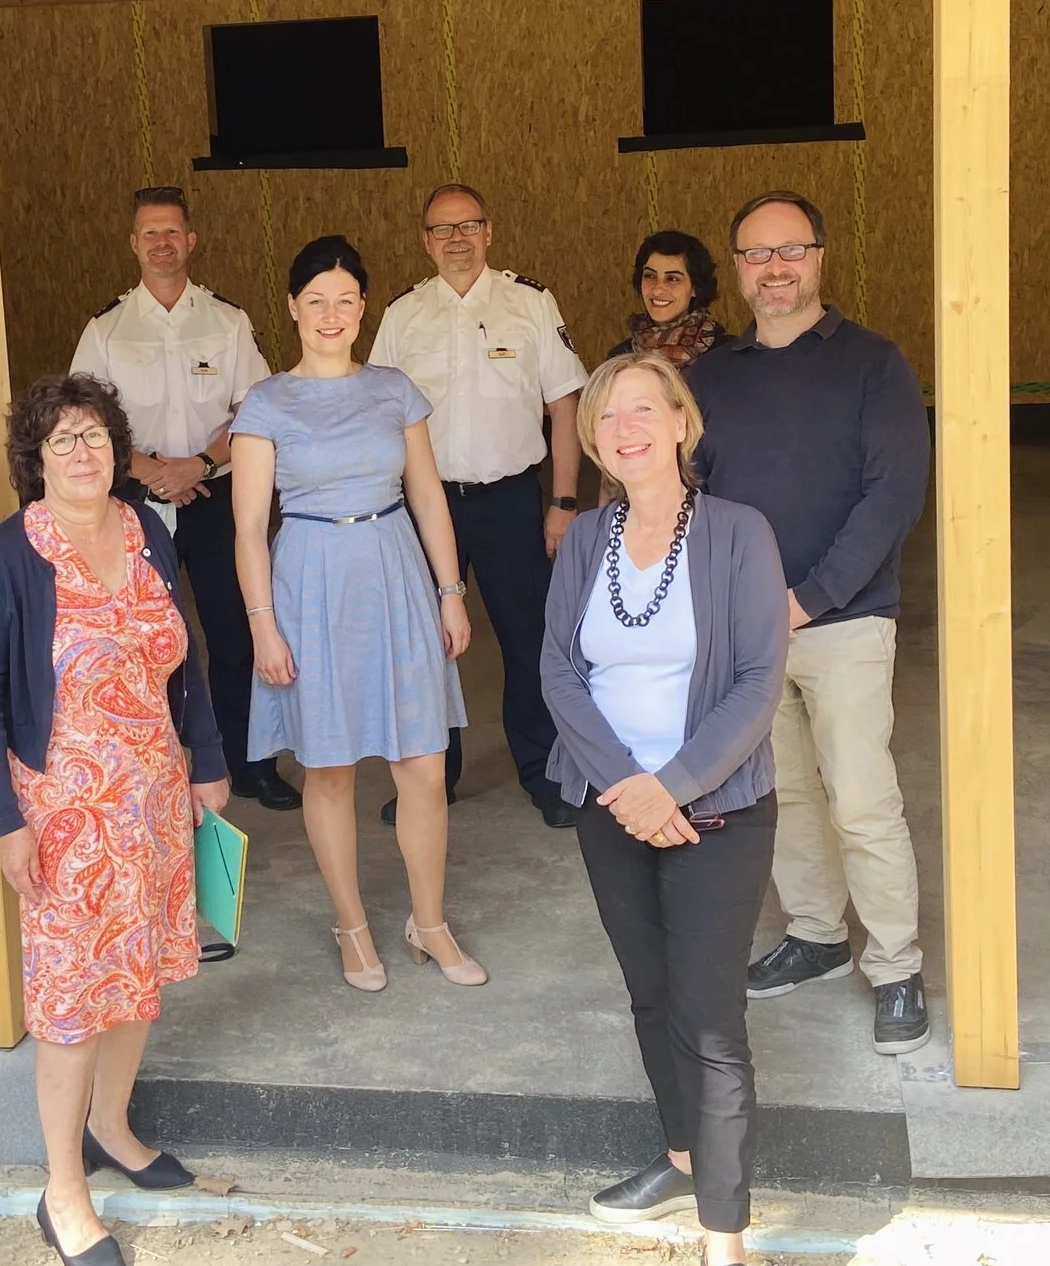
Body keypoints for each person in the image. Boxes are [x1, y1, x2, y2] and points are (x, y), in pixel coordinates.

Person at [0, 373, 228, 1266]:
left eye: (96, 435)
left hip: (153, 795)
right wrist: (4, 823)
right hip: (63, 813)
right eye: (62, 440)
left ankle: (112, 1128)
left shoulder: (146, 529)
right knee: (72, 1002)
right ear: (34, 460)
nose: (83, 453)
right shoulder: (6, 560)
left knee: (139, 967)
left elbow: (186, 647)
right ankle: (63, 1189)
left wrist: (209, 758)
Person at [541, 352, 788, 1266]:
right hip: (611, 805)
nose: (626, 427)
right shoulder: (584, 541)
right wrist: (627, 789)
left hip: (717, 809)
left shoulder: (737, 534)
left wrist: (672, 788)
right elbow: (561, 672)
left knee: (711, 1020)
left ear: (682, 422)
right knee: (650, 995)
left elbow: (757, 683)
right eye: (607, 416)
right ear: (595, 441)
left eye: (645, 408)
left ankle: (724, 1247)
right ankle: (682, 1155)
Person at [691, 190, 933, 1057]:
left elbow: (895, 492)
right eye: (758, 254)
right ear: (740, 270)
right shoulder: (712, 376)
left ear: (821, 257)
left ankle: (897, 966)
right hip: (748, 630)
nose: (776, 268)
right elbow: (691, 498)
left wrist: (811, 595)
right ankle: (819, 935)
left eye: (792, 250)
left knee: (863, 798)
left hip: (846, 620)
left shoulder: (874, 363)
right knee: (785, 793)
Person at [230, 235, 485, 993]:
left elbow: (429, 494)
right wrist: (261, 624)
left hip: (394, 571)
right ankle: (352, 925)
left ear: (363, 307)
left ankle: (428, 922)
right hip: (309, 581)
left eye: (345, 300)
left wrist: (450, 591)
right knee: (330, 768)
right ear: (292, 309)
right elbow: (247, 528)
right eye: (316, 301)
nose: (331, 315)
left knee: (424, 768)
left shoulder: (393, 388)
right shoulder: (267, 402)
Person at [368, 184, 589, 829]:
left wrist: (565, 502)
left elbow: (564, 406)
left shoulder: (529, 303)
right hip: (426, 505)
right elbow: (381, 413)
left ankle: (544, 771)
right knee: (425, 643)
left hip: (511, 501)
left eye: (468, 226)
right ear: (425, 241)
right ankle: (434, 775)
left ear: (489, 232)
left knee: (530, 638)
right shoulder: (404, 316)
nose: (456, 239)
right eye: (442, 229)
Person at [69, 186, 294, 811]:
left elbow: (256, 408)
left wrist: (196, 464)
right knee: (142, 637)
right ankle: (150, 765)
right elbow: (86, 417)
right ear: (133, 244)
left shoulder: (226, 321)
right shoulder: (107, 327)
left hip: (215, 495)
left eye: (172, 232)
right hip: (135, 501)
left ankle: (249, 763)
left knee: (235, 632)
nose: (162, 243)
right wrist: (150, 471)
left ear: (190, 241)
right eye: (150, 233)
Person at [604, 229, 725, 367]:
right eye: (650, 276)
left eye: (672, 279)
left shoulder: (725, 354)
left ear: (695, 288)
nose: (658, 289)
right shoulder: (619, 359)